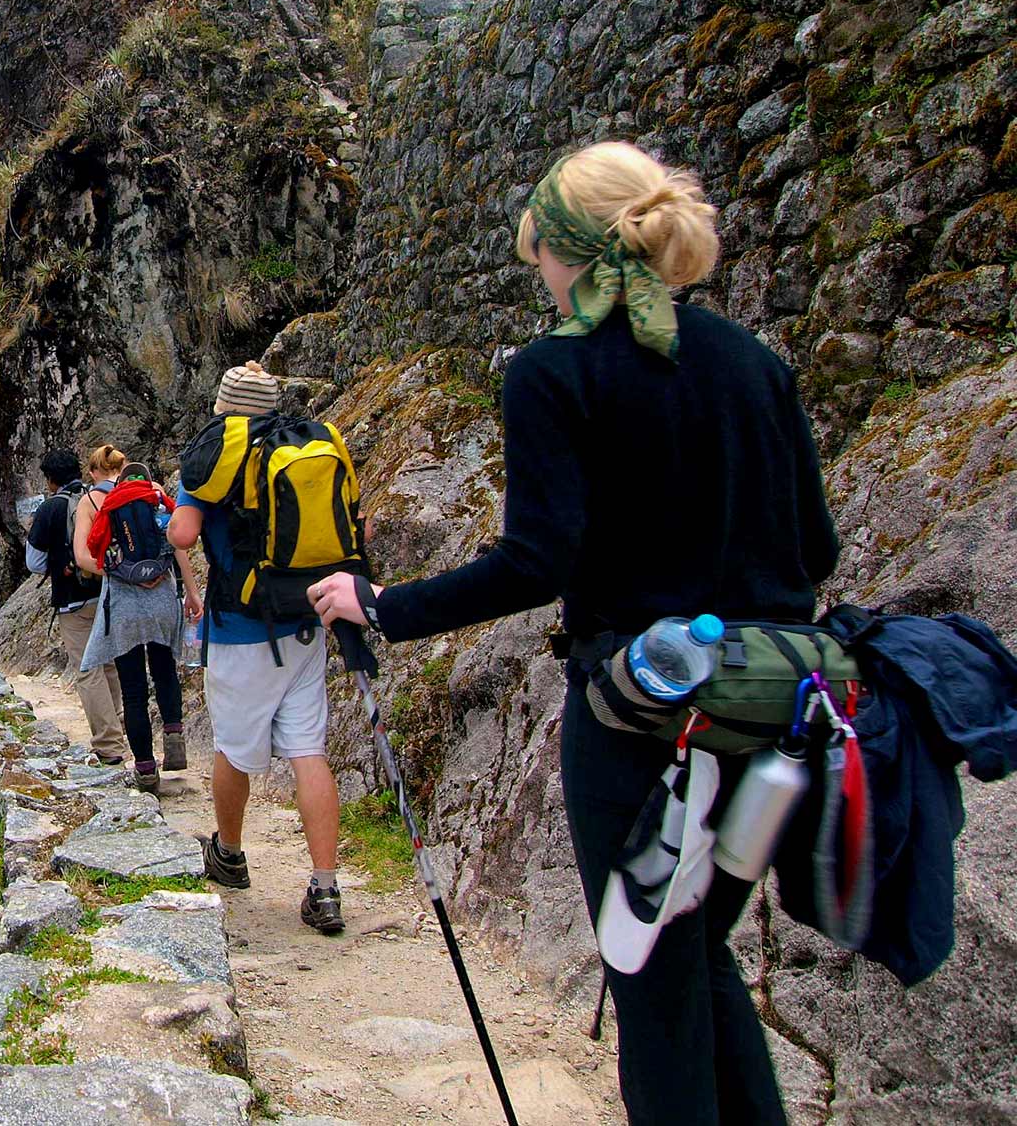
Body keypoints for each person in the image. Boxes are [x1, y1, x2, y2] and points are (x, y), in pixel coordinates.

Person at [309, 141, 839, 1124]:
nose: (537, 280)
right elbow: (814, 544)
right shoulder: (754, 364)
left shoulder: (554, 372)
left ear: (569, 253)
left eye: (537, 259)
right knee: (691, 953)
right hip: (768, 715)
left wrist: (381, 604)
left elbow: (535, 562)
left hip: (640, 721)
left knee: (649, 972)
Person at [167, 361, 349, 936]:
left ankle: (230, 853)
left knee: (234, 749)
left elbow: (183, 536)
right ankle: (324, 887)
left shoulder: (217, 455)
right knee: (307, 750)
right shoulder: (309, 444)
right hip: (306, 621)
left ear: (224, 408)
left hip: (242, 628)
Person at [72, 444, 201, 791]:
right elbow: (178, 544)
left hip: (124, 606)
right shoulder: (154, 494)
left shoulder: (92, 502)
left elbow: (83, 556)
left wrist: (121, 572)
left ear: (95, 470)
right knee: (164, 671)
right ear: (127, 467)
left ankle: (144, 768)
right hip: (162, 598)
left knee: (132, 689)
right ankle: (174, 737)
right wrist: (191, 591)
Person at [25, 448, 129, 764]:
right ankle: (120, 727)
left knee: (88, 669)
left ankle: (109, 745)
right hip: (108, 592)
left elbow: (34, 561)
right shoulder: (95, 499)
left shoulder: (50, 509)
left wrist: (60, 562)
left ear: (50, 479)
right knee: (109, 664)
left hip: (74, 600)